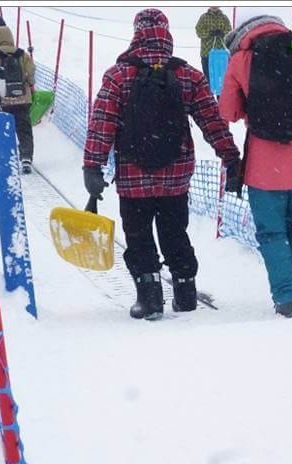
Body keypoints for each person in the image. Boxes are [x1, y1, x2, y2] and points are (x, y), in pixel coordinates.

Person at [83, 8, 242, 320]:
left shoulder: (119, 75)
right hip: (176, 173)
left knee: (139, 235)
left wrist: (93, 165)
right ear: (167, 34)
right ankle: (185, 291)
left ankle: (150, 295)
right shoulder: (188, 75)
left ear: (136, 33)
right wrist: (231, 157)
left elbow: (102, 123)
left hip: (133, 176)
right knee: (174, 231)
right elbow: (212, 121)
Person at [219, 15, 292, 318]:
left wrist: (252, 105)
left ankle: (287, 298)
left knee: (272, 233)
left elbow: (228, 111)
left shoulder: (241, 60)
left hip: (264, 168)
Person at [0, 26, 36, 173]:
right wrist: (29, 84)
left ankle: (6, 159)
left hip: (2, 100)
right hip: (22, 98)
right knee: (24, 129)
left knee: (4, 129)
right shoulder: (22, 54)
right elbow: (31, 73)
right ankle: (26, 157)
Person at [195, 7, 232, 80]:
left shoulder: (224, 18)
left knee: (221, 78)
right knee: (208, 78)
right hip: (206, 54)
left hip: (221, 54)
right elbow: (199, 31)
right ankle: (208, 91)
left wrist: (222, 33)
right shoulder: (204, 17)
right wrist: (210, 33)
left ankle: (221, 91)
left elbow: (230, 31)